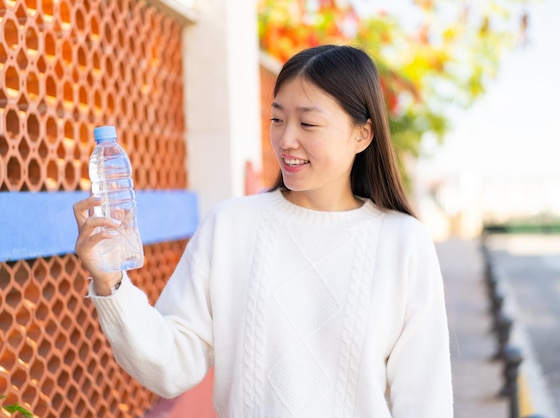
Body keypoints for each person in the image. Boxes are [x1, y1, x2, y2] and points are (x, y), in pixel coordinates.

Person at [74, 44, 453, 417]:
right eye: (277, 119)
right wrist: (111, 282)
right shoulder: (232, 226)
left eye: (308, 123)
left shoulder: (402, 241)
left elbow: (424, 397)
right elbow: (171, 364)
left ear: (362, 135)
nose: (286, 140)